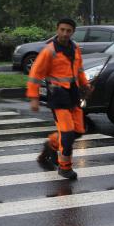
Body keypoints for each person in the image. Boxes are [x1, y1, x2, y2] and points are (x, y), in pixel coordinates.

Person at [27, 17, 94, 179]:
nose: (65, 33)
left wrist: (85, 85)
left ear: (73, 32)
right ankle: (65, 167)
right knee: (68, 134)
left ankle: (51, 144)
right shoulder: (49, 51)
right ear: (57, 30)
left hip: (73, 94)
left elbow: (79, 70)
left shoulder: (75, 48)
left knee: (78, 131)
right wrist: (34, 97)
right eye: (62, 30)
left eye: (68, 30)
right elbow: (35, 74)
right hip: (57, 97)